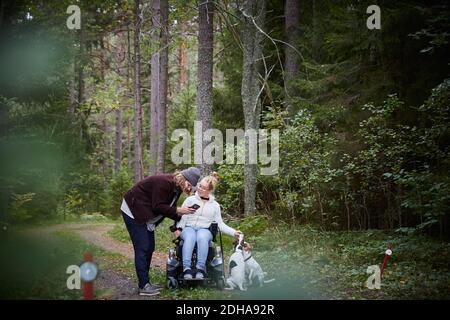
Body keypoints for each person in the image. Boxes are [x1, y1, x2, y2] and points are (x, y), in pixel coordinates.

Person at [121, 167, 200, 296]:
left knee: (150, 247)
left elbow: (168, 208)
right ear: (183, 178)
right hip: (133, 210)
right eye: (189, 184)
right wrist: (179, 210)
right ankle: (143, 286)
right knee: (143, 247)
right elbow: (158, 206)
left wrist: (179, 222)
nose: (189, 188)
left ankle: (146, 282)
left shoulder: (176, 188)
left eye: (191, 186)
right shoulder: (163, 182)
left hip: (144, 212)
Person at [173, 172, 241, 280]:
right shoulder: (190, 200)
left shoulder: (215, 206)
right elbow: (183, 217)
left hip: (204, 229)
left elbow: (220, 224)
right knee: (190, 236)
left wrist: (233, 232)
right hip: (189, 228)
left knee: (202, 236)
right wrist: (178, 229)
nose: (199, 189)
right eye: (199, 186)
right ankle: (186, 268)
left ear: (209, 191)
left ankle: (200, 268)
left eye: (203, 188)